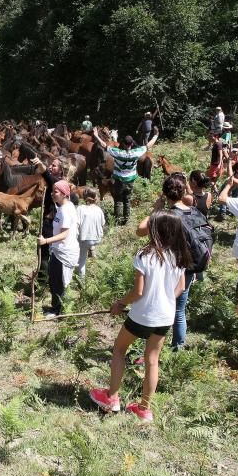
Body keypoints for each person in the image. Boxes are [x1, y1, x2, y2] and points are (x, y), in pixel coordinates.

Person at [89, 211, 192, 423]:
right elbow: (180, 288)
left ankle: (111, 397)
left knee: (119, 349)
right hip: (165, 317)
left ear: (155, 231)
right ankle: (144, 409)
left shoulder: (145, 255)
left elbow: (138, 292)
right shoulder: (179, 256)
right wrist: (163, 301)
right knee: (152, 360)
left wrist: (120, 304)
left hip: (143, 316)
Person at [138, 175, 206, 350]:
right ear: (184, 191)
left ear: (164, 193)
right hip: (190, 265)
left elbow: (140, 231)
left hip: (171, 267)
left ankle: (150, 346)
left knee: (157, 304)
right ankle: (178, 348)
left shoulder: (167, 216)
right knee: (179, 309)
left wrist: (155, 210)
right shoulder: (195, 211)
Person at [92, 131, 158, 225]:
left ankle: (117, 220)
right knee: (127, 200)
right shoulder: (136, 153)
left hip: (119, 180)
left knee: (118, 200)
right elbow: (148, 145)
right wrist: (155, 135)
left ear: (123, 143)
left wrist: (96, 135)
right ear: (132, 144)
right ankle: (126, 220)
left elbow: (104, 145)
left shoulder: (118, 153)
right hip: (130, 181)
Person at [37, 181, 79, 318]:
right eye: (53, 191)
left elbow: (64, 234)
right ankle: (57, 307)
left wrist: (46, 241)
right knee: (55, 280)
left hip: (64, 252)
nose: (52, 194)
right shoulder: (64, 207)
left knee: (58, 282)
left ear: (64, 194)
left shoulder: (66, 210)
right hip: (58, 250)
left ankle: (58, 311)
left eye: (55, 192)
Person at [30, 156, 65, 278]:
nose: (51, 166)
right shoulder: (60, 183)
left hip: (50, 223)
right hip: (54, 221)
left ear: (60, 170)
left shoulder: (56, 183)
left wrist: (40, 164)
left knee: (44, 252)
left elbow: (46, 174)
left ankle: (42, 280)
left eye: (54, 165)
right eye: (51, 165)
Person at [76, 188, 106, 278]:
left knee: (81, 260)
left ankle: (82, 282)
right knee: (89, 242)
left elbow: (76, 224)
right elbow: (103, 223)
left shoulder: (80, 208)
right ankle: (92, 248)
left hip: (85, 239)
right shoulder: (99, 209)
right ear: (95, 198)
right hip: (97, 238)